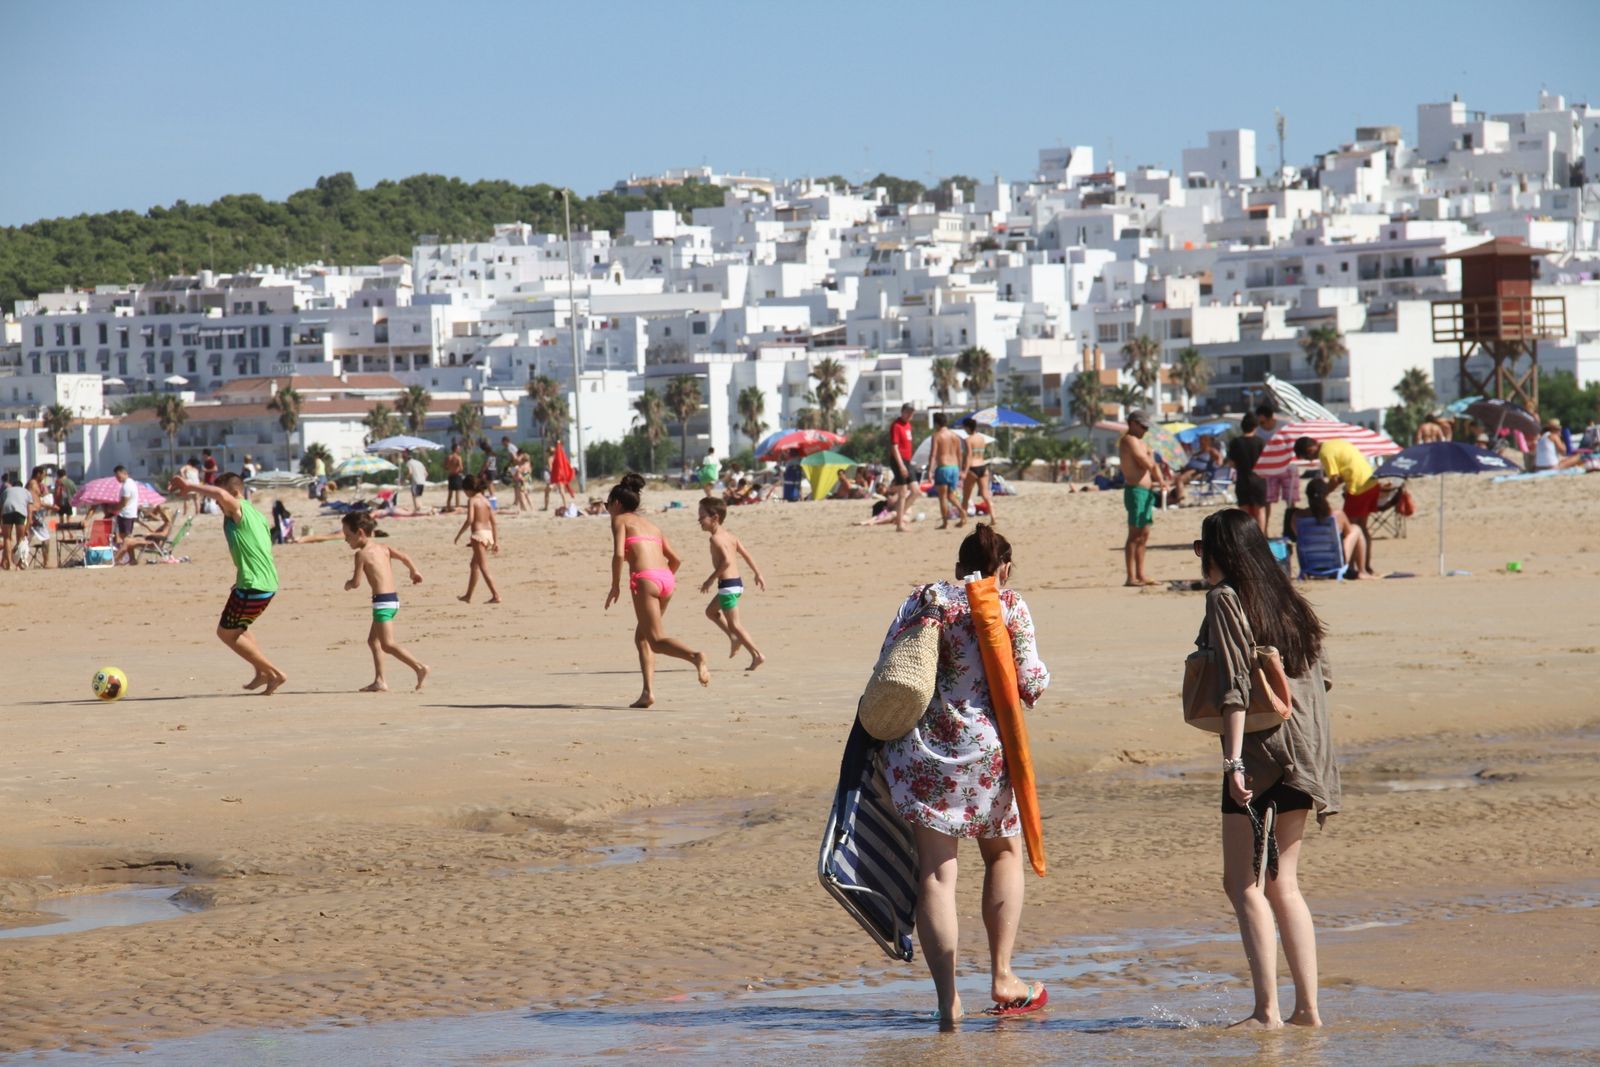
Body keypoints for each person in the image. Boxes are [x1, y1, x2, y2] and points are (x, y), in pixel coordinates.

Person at [880, 524, 1051, 1026]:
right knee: (1002, 852)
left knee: (936, 873)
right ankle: (1002, 976)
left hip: (924, 752)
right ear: (1006, 568)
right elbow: (1032, 682)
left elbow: (893, 666)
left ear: (959, 568)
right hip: (987, 755)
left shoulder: (927, 597)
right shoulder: (1008, 604)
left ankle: (947, 1000)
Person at [1193, 508, 1339, 1029]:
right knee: (1286, 885)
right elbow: (1321, 683)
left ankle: (1266, 1012)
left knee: (1243, 884)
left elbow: (1233, 688)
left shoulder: (1225, 599)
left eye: (1200, 547)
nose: (1199, 558)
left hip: (1262, 756)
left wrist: (1233, 763)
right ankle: (1308, 1011)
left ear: (1221, 552)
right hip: (1308, 754)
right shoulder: (1289, 599)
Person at [165, 470, 287, 695]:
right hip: (264, 583)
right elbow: (256, 549)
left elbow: (221, 494)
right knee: (240, 629)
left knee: (226, 633)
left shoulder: (238, 509)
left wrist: (190, 486)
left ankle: (274, 673)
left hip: (253, 585)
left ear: (235, 492)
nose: (219, 504)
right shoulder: (257, 515)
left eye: (220, 500)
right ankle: (261, 672)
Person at [604, 472, 709, 707]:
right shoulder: (652, 525)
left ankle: (695, 657)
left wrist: (614, 586)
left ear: (617, 504)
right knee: (642, 637)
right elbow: (677, 559)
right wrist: (663, 579)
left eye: (606, 505)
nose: (607, 509)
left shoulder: (619, 520)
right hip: (666, 579)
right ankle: (647, 693)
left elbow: (619, 554)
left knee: (656, 640)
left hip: (645, 580)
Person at [341, 511, 428, 693]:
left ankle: (419, 667)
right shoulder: (384, 547)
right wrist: (414, 571)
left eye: (348, 536)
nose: (345, 540)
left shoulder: (361, 555)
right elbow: (404, 557)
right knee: (373, 641)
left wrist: (349, 584)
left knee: (387, 644)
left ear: (360, 533)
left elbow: (356, 583)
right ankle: (380, 681)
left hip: (382, 603)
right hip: (392, 600)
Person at [697, 497, 767, 671]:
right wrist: (758, 574)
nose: (699, 520)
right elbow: (746, 555)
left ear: (715, 518)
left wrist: (710, 579)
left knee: (735, 624)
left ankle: (757, 654)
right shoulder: (731, 536)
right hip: (736, 584)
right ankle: (734, 638)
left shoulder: (715, 539)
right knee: (711, 612)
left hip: (727, 585)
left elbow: (727, 562)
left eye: (702, 516)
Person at [1292, 435, 1379, 569]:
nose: (1311, 461)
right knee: (1362, 526)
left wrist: (1321, 495)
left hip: (1358, 487)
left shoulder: (1324, 453)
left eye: (1308, 458)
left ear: (1309, 450)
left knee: (1350, 528)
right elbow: (1345, 469)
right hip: (1371, 482)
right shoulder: (1334, 443)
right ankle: (1366, 566)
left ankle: (1352, 568)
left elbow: (1334, 480)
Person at [1118, 410, 1166, 587]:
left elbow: (1153, 466)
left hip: (1146, 492)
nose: (1145, 430)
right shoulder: (1128, 440)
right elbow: (1144, 462)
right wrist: (1151, 459)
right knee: (1134, 534)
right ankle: (1131, 576)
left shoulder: (1143, 443)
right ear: (1132, 423)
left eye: (1147, 427)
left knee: (1144, 534)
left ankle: (1141, 573)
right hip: (1135, 491)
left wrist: (1161, 480)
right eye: (1142, 426)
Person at [1300, 478, 1370, 578]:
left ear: (1307, 494)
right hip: (1334, 561)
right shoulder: (1337, 515)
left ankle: (1359, 570)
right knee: (1356, 529)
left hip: (1309, 562)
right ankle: (1362, 571)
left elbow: (1296, 536)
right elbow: (1348, 532)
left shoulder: (1299, 516)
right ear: (1326, 494)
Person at [452, 472, 501, 604]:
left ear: (469, 489)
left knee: (483, 567)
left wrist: (459, 534)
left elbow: (470, 520)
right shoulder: (486, 501)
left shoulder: (472, 500)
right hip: (488, 534)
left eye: (465, 491)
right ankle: (468, 596)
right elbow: (494, 522)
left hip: (478, 535)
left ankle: (496, 595)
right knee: (474, 565)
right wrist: (496, 541)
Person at [1255, 405, 1299, 532]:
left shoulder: (1286, 425)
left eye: (1262, 422)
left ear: (1271, 418)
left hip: (1288, 467)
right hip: (1268, 469)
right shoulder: (1257, 431)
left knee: (1291, 500)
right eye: (1259, 422)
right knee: (1266, 501)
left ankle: (1291, 531)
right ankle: (1265, 531)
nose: (1261, 425)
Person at [1227, 414, 1268, 534]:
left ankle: (1246, 537)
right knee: (1260, 510)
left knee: (1244, 512)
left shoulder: (1235, 442)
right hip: (1259, 480)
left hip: (1242, 480)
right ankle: (1261, 538)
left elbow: (1231, 463)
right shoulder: (1260, 442)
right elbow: (1265, 462)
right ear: (1255, 426)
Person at [927, 413, 964, 530]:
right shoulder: (955, 436)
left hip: (943, 468)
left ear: (936, 423)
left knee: (942, 497)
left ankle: (945, 522)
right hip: (954, 468)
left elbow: (933, 455)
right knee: (951, 495)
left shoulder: (937, 436)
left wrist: (930, 470)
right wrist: (961, 469)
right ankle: (962, 512)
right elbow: (960, 455)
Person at [959, 417, 996, 525]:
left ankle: (963, 519)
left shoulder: (968, 439)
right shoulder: (981, 438)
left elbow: (969, 456)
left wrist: (965, 471)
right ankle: (993, 516)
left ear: (967, 427)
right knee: (985, 494)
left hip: (972, 468)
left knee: (966, 496)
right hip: (983, 466)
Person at [889, 402, 916, 532]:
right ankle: (899, 524)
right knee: (903, 492)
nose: (910, 414)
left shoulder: (908, 425)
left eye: (912, 412)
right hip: (898, 461)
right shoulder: (896, 425)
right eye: (908, 412)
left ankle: (898, 515)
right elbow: (894, 447)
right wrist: (901, 466)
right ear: (902, 412)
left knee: (916, 491)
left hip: (908, 460)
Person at [1, 473, 31, 571]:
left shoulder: (7, 491)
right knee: (20, 539)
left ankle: (9, 564)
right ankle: (19, 564)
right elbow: (30, 513)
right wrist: (26, 528)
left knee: (7, 538)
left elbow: (1, 507)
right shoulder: (26, 492)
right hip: (20, 512)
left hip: (7, 511)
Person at [544, 440, 576, 511]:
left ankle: (546, 507)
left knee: (546, 491)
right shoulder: (558, 457)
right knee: (562, 491)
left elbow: (551, 468)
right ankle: (565, 505)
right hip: (559, 476)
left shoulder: (550, 459)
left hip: (553, 477)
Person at [112, 465, 141, 544]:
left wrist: (114, 509)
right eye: (116, 477)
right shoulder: (131, 483)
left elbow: (124, 502)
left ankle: (128, 555)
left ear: (124, 473)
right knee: (126, 537)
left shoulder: (127, 486)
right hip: (129, 513)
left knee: (125, 538)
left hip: (125, 514)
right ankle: (129, 556)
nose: (117, 478)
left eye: (118, 476)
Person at [404, 449, 428, 514]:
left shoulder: (409, 463)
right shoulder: (419, 462)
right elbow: (426, 474)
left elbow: (410, 473)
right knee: (419, 497)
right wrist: (422, 479)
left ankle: (417, 511)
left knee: (415, 497)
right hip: (422, 482)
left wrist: (405, 479)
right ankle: (420, 510)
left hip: (415, 482)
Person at [443, 441, 465, 512]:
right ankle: (457, 506)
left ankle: (448, 506)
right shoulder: (458, 457)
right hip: (457, 475)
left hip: (450, 475)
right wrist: (458, 470)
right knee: (458, 492)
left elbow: (445, 466)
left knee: (450, 492)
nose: (459, 450)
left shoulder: (448, 457)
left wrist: (450, 469)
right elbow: (461, 467)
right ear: (455, 449)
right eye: (458, 448)